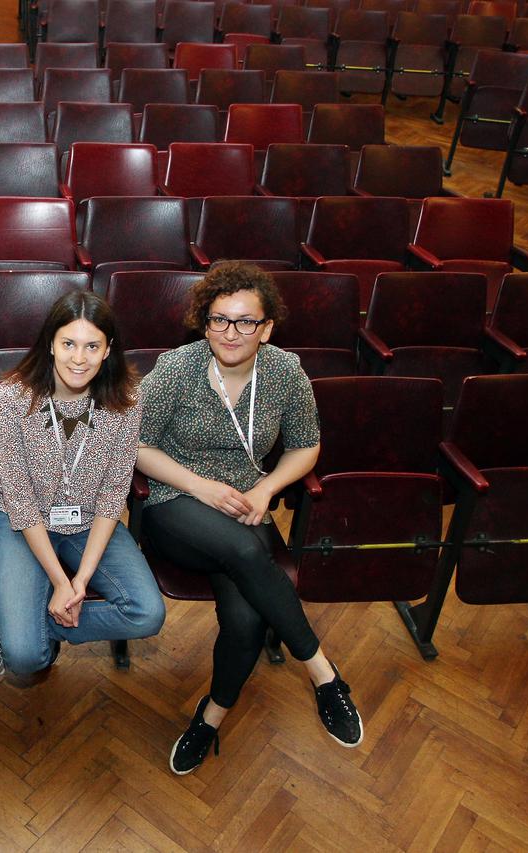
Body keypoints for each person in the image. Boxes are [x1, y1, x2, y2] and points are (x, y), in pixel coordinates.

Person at [135, 262, 363, 776]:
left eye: (245, 322)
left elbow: (307, 447)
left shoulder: (285, 372)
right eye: (219, 320)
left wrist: (266, 488)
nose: (231, 332)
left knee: (245, 621)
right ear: (204, 322)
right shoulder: (177, 368)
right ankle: (323, 674)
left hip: (246, 503)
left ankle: (209, 719)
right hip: (177, 500)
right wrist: (201, 487)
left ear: (267, 328)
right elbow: (136, 444)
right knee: (246, 551)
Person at [0, 291, 165, 691]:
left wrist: (81, 582)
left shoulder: (126, 401)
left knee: (148, 614)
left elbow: (115, 494)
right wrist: (61, 583)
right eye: (69, 344)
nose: (79, 358)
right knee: (26, 659)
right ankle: (18, 630)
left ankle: (22, 623)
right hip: (22, 524)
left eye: (92, 346)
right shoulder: (11, 398)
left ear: (107, 349)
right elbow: (20, 500)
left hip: (90, 523)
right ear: (50, 343)